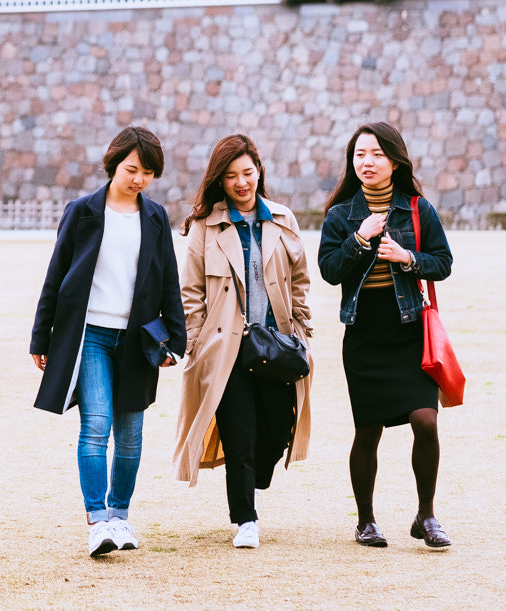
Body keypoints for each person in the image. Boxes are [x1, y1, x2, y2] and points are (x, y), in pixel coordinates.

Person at [30, 125, 186, 558]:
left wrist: (176, 340)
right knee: (96, 425)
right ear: (114, 163)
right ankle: (98, 520)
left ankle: (121, 515)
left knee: (131, 435)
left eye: (148, 172)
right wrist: (40, 336)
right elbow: (56, 275)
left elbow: (169, 281)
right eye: (132, 169)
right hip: (90, 336)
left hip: (138, 340)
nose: (139, 179)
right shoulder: (81, 211)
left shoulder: (155, 217)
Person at [171, 135, 313, 549]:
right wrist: (197, 342)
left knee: (272, 430)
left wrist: (301, 330)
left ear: (259, 172)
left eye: (247, 173)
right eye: (231, 176)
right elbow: (190, 291)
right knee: (239, 433)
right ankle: (245, 518)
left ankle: (257, 477)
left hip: (276, 346)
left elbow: (301, 280)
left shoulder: (283, 220)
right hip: (225, 350)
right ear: (220, 180)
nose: (241, 183)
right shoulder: (205, 226)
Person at [318, 122, 455, 550]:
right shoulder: (340, 216)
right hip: (364, 335)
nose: (367, 162)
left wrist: (408, 258)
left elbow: (443, 262)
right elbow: (329, 270)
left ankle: (426, 516)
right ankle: (366, 521)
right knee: (367, 430)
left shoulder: (418, 209)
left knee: (426, 420)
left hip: (409, 330)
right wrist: (359, 240)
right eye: (360, 154)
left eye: (376, 154)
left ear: (395, 161)